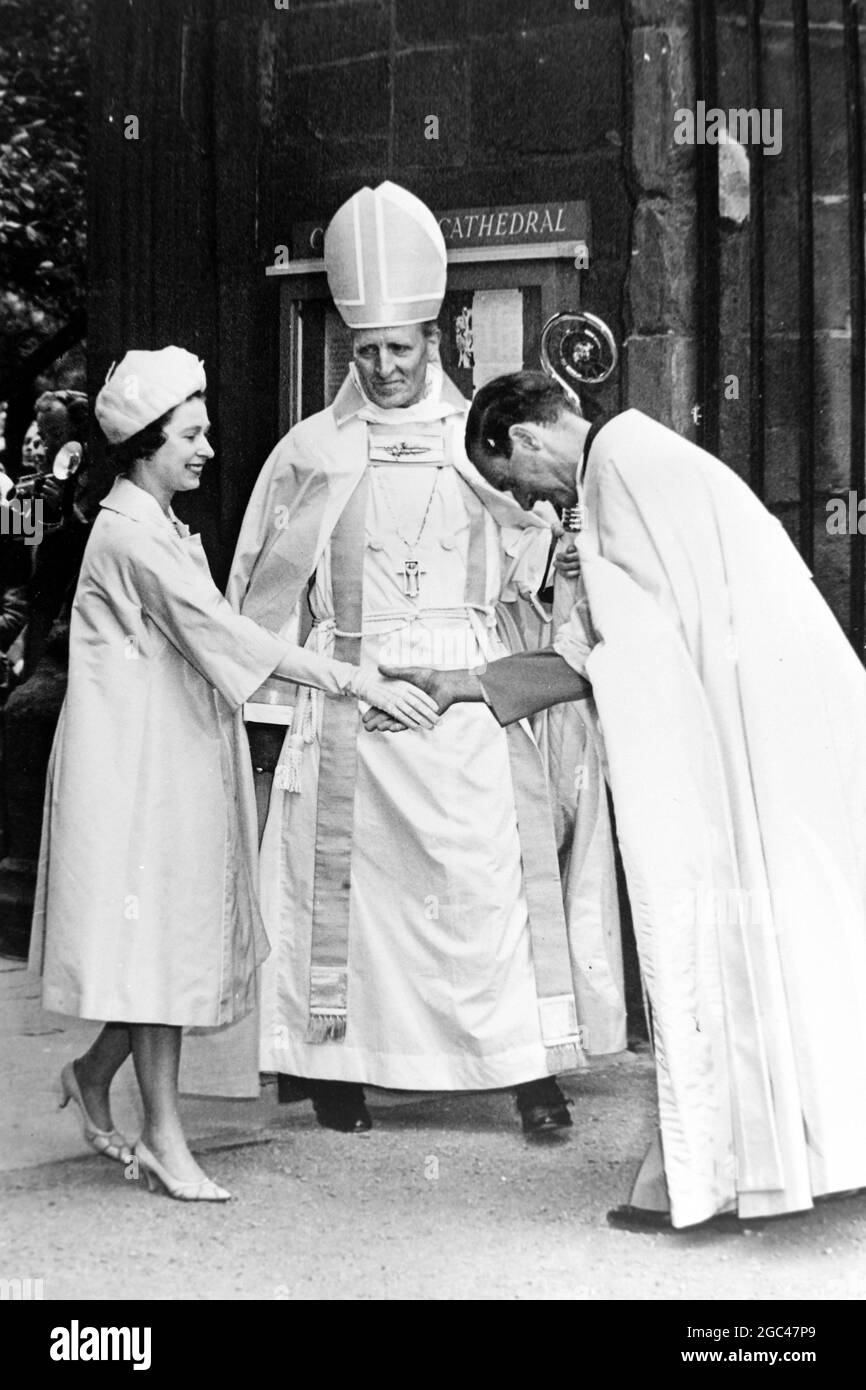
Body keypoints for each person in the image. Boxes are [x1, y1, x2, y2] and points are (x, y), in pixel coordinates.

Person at [376, 369, 866, 1230]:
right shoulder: (630, 465)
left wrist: (585, 590)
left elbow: (627, 652)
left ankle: (713, 1176)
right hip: (763, 742)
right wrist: (459, 684)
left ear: (522, 441)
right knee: (778, 940)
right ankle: (756, 1160)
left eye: (513, 483)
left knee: (724, 942)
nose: (527, 502)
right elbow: (599, 649)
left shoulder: (627, 472)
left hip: (742, 751)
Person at [28, 346, 437, 1203]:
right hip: (134, 764)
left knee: (164, 936)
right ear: (146, 442)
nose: (208, 447)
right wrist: (355, 678)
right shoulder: (135, 538)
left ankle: (96, 1073)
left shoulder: (152, 524)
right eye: (193, 433)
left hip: (163, 748)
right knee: (161, 945)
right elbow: (235, 641)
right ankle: (163, 1140)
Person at [228, 183, 586, 1136]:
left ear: (437, 341)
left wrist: (551, 553)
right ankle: (341, 1069)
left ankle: (526, 1070)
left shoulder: (483, 446)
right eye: (368, 351)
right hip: (354, 695)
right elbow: (263, 600)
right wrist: (270, 718)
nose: (385, 367)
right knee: (358, 892)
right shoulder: (310, 454)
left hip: (466, 696)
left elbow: (534, 573)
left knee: (487, 882)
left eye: (401, 348)